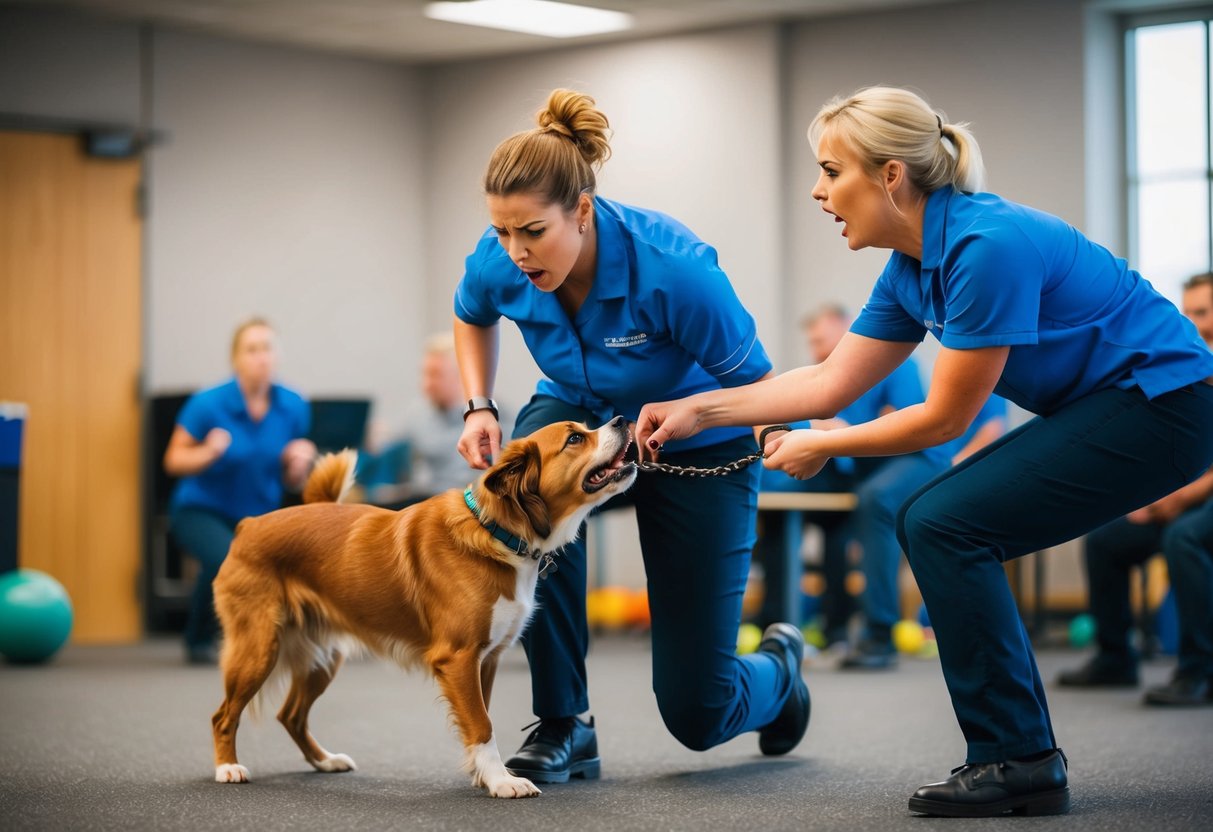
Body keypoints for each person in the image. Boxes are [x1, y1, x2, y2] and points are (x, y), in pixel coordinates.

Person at [635, 86, 1213, 817]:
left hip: (1166, 404)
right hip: (1119, 407)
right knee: (939, 519)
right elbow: (825, 380)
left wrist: (828, 443)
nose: (817, 192)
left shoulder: (983, 246)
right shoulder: (912, 268)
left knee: (941, 520)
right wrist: (698, 409)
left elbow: (943, 419)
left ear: (888, 176)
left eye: (829, 170)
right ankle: (1018, 752)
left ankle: (1017, 757)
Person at [453, 89, 809, 784]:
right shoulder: (502, 257)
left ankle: (779, 671)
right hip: (576, 419)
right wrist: (478, 405)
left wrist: (771, 437)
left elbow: (760, 387)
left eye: (531, 232)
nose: (515, 251)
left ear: (581, 211)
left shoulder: (675, 269)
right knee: (521, 507)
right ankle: (564, 722)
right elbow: (472, 312)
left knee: (698, 715)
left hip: (702, 435)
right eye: (502, 233)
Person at [756, 303, 950, 667]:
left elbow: (909, 422)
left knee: (873, 499)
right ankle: (781, 625)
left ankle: (880, 636)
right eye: (811, 343)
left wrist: (843, 431)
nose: (816, 351)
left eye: (821, 341)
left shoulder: (898, 364)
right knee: (776, 495)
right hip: (856, 464)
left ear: (846, 331)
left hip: (916, 458)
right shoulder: (826, 377)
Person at [1058, 272, 1213, 705]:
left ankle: (1200, 670)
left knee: (1184, 539)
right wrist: (1149, 497)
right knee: (1106, 542)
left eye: (1202, 311)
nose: (1192, 320)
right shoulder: (1188, 361)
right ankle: (1115, 658)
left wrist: (1180, 498)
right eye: (1189, 311)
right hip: (1184, 491)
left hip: (1199, 499)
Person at [164, 318, 315, 665]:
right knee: (226, 559)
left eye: (267, 348)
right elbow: (173, 460)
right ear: (236, 359)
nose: (261, 357)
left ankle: (254, 639)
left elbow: (292, 480)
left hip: (257, 513)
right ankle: (199, 639)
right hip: (200, 509)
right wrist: (207, 452)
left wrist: (298, 463)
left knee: (259, 563)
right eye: (252, 349)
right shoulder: (207, 404)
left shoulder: (293, 405)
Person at [358, 333, 512, 507]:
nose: (427, 384)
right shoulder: (419, 413)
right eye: (425, 375)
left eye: (436, 375)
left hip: (472, 503)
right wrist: (371, 435)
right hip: (428, 500)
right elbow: (387, 442)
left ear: (461, 376)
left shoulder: (492, 416)